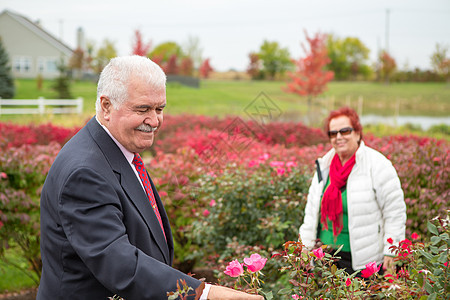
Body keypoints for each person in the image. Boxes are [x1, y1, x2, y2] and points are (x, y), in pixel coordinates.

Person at [37, 56, 262, 300]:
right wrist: (204, 294)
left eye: (160, 109)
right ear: (106, 106)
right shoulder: (85, 173)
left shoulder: (116, 151)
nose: (154, 121)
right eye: (143, 109)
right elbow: (118, 263)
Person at [299, 107, 406, 275]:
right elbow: (311, 213)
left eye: (345, 131)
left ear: (357, 133)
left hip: (362, 261)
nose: (339, 137)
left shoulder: (378, 165)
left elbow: (394, 213)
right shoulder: (324, 167)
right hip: (324, 258)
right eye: (333, 133)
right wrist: (305, 248)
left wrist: (391, 251)